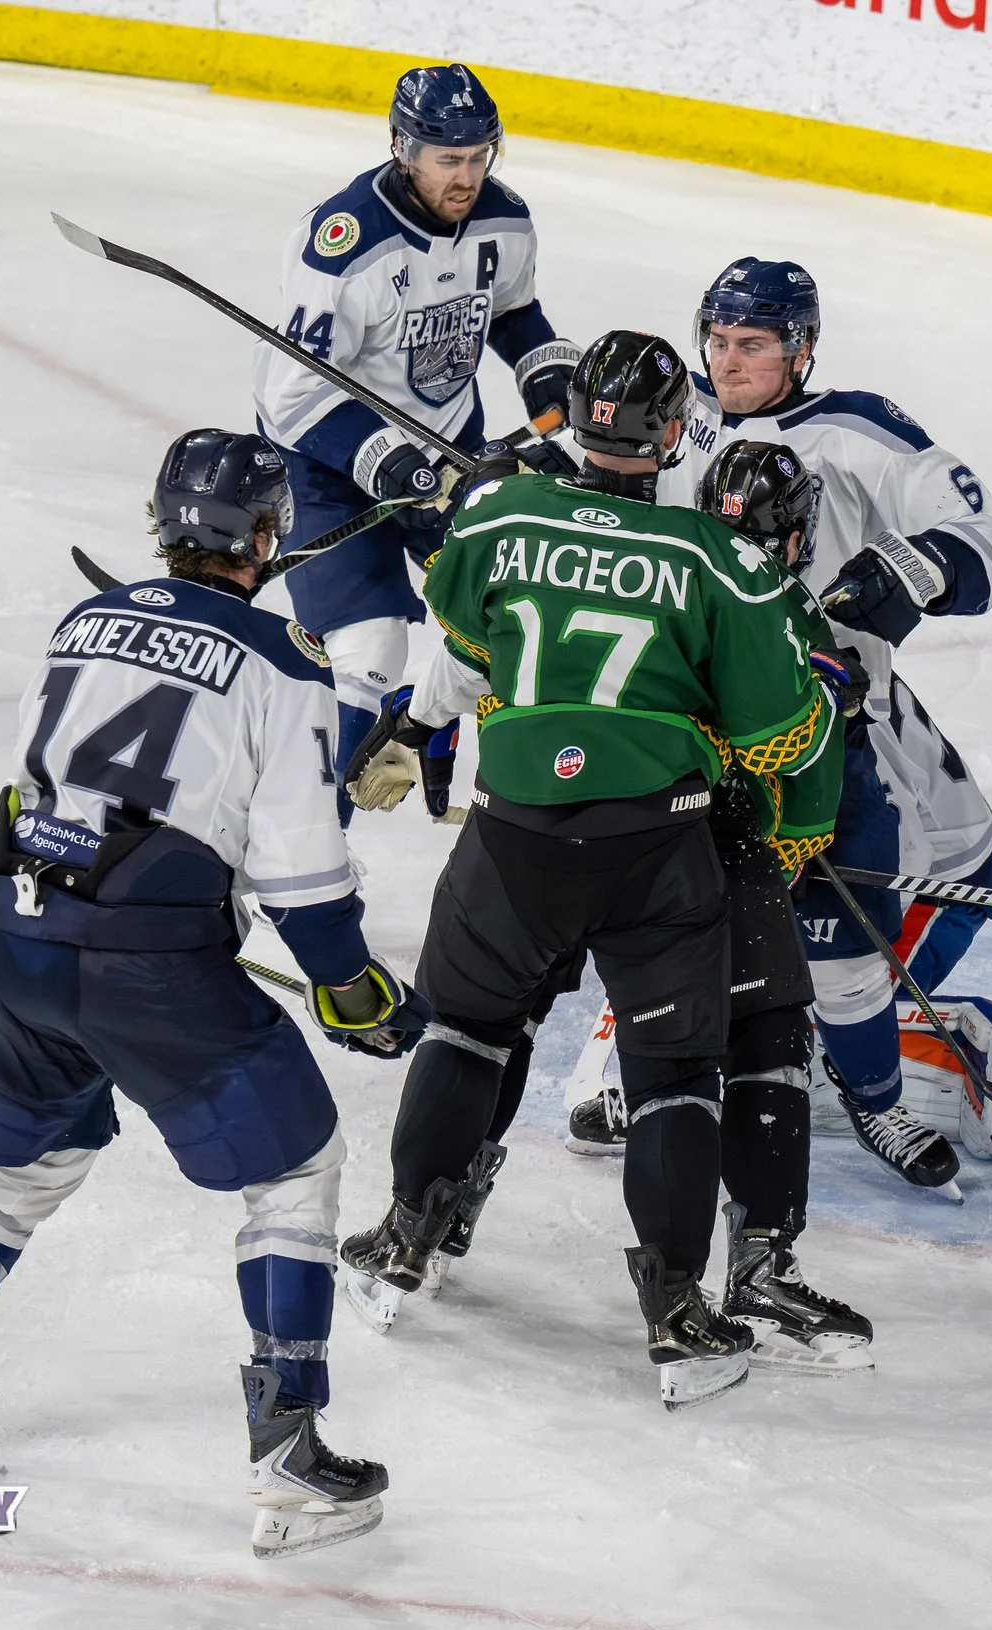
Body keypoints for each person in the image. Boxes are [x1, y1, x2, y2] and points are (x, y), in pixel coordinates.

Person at [0, 430, 431, 1560]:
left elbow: (47, 781)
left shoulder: (81, 624)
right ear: (270, 539)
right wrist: (354, 992)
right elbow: (303, 884)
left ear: (163, 524)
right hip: (151, 965)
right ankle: (291, 1454)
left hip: (14, 936)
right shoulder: (285, 665)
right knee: (295, 1170)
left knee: (13, 1167)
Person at [331, 332, 845, 1408]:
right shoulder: (721, 558)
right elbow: (788, 733)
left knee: (466, 1028)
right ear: (671, 436)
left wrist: (418, 725)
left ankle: (405, 1235)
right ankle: (671, 1309)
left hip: (512, 826)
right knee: (670, 1080)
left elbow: (468, 650)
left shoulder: (501, 513)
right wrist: (736, 767)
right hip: (655, 843)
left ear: (571, 415)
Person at [643, 257, 992, 1187]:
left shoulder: (852, 433)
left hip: (825, 693)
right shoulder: (677, 411)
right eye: (720, 342)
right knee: (933, 865)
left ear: (801, 348)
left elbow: (971, 528)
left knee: (705, 879)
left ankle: (756, 1036)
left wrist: (902, 572)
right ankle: (826, 1037)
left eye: (753, 345)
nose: (728, 363)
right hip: (763, 713)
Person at [252, 62, 580, 823]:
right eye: (448, 160)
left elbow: (514, 311)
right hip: (329, 464)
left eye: (478, 156)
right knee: (369, 653)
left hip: (446, 450)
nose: (466, 177)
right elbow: (291, 395)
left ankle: (483, 787)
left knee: (512, 616)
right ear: (404, 148)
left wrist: (545, 386)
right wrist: (388, 461)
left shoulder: (504, 217)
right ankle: (313, 850)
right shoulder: (343, 244)